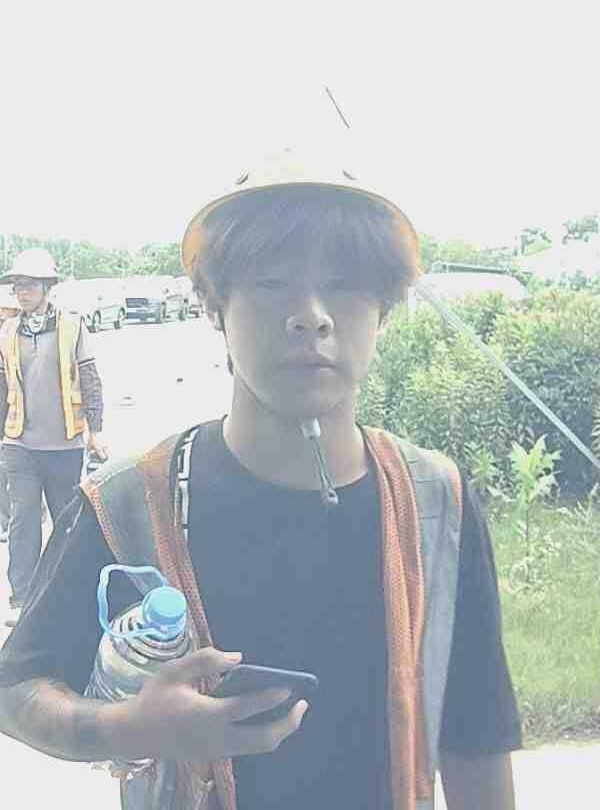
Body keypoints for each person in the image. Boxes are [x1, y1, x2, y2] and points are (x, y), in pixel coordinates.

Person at [0, 154, 520, 809]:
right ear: (215, 306)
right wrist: (126, 727)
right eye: (272, 283)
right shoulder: (127, 504)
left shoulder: (436, 503)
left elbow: (475, 738)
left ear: (384, 309)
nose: (310, 316)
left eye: (344, 285)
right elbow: (16, 689)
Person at [0, 248, 109, 627]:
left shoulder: (72, 326)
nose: (21, 292)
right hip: (19, 444)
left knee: (66, 519)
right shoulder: (8, 330)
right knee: (23, 518)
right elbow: (3, 386)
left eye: (29, 285)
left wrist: (95, 431)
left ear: (47, 287)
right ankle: (22, 598)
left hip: (64, 443)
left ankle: (62, 592)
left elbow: (90, 379)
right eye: (17, 285)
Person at [0, 287, 20, 543]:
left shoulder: (18, 342)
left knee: (8, 471)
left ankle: (10, 520)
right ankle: (5, 520)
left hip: (15, 420)